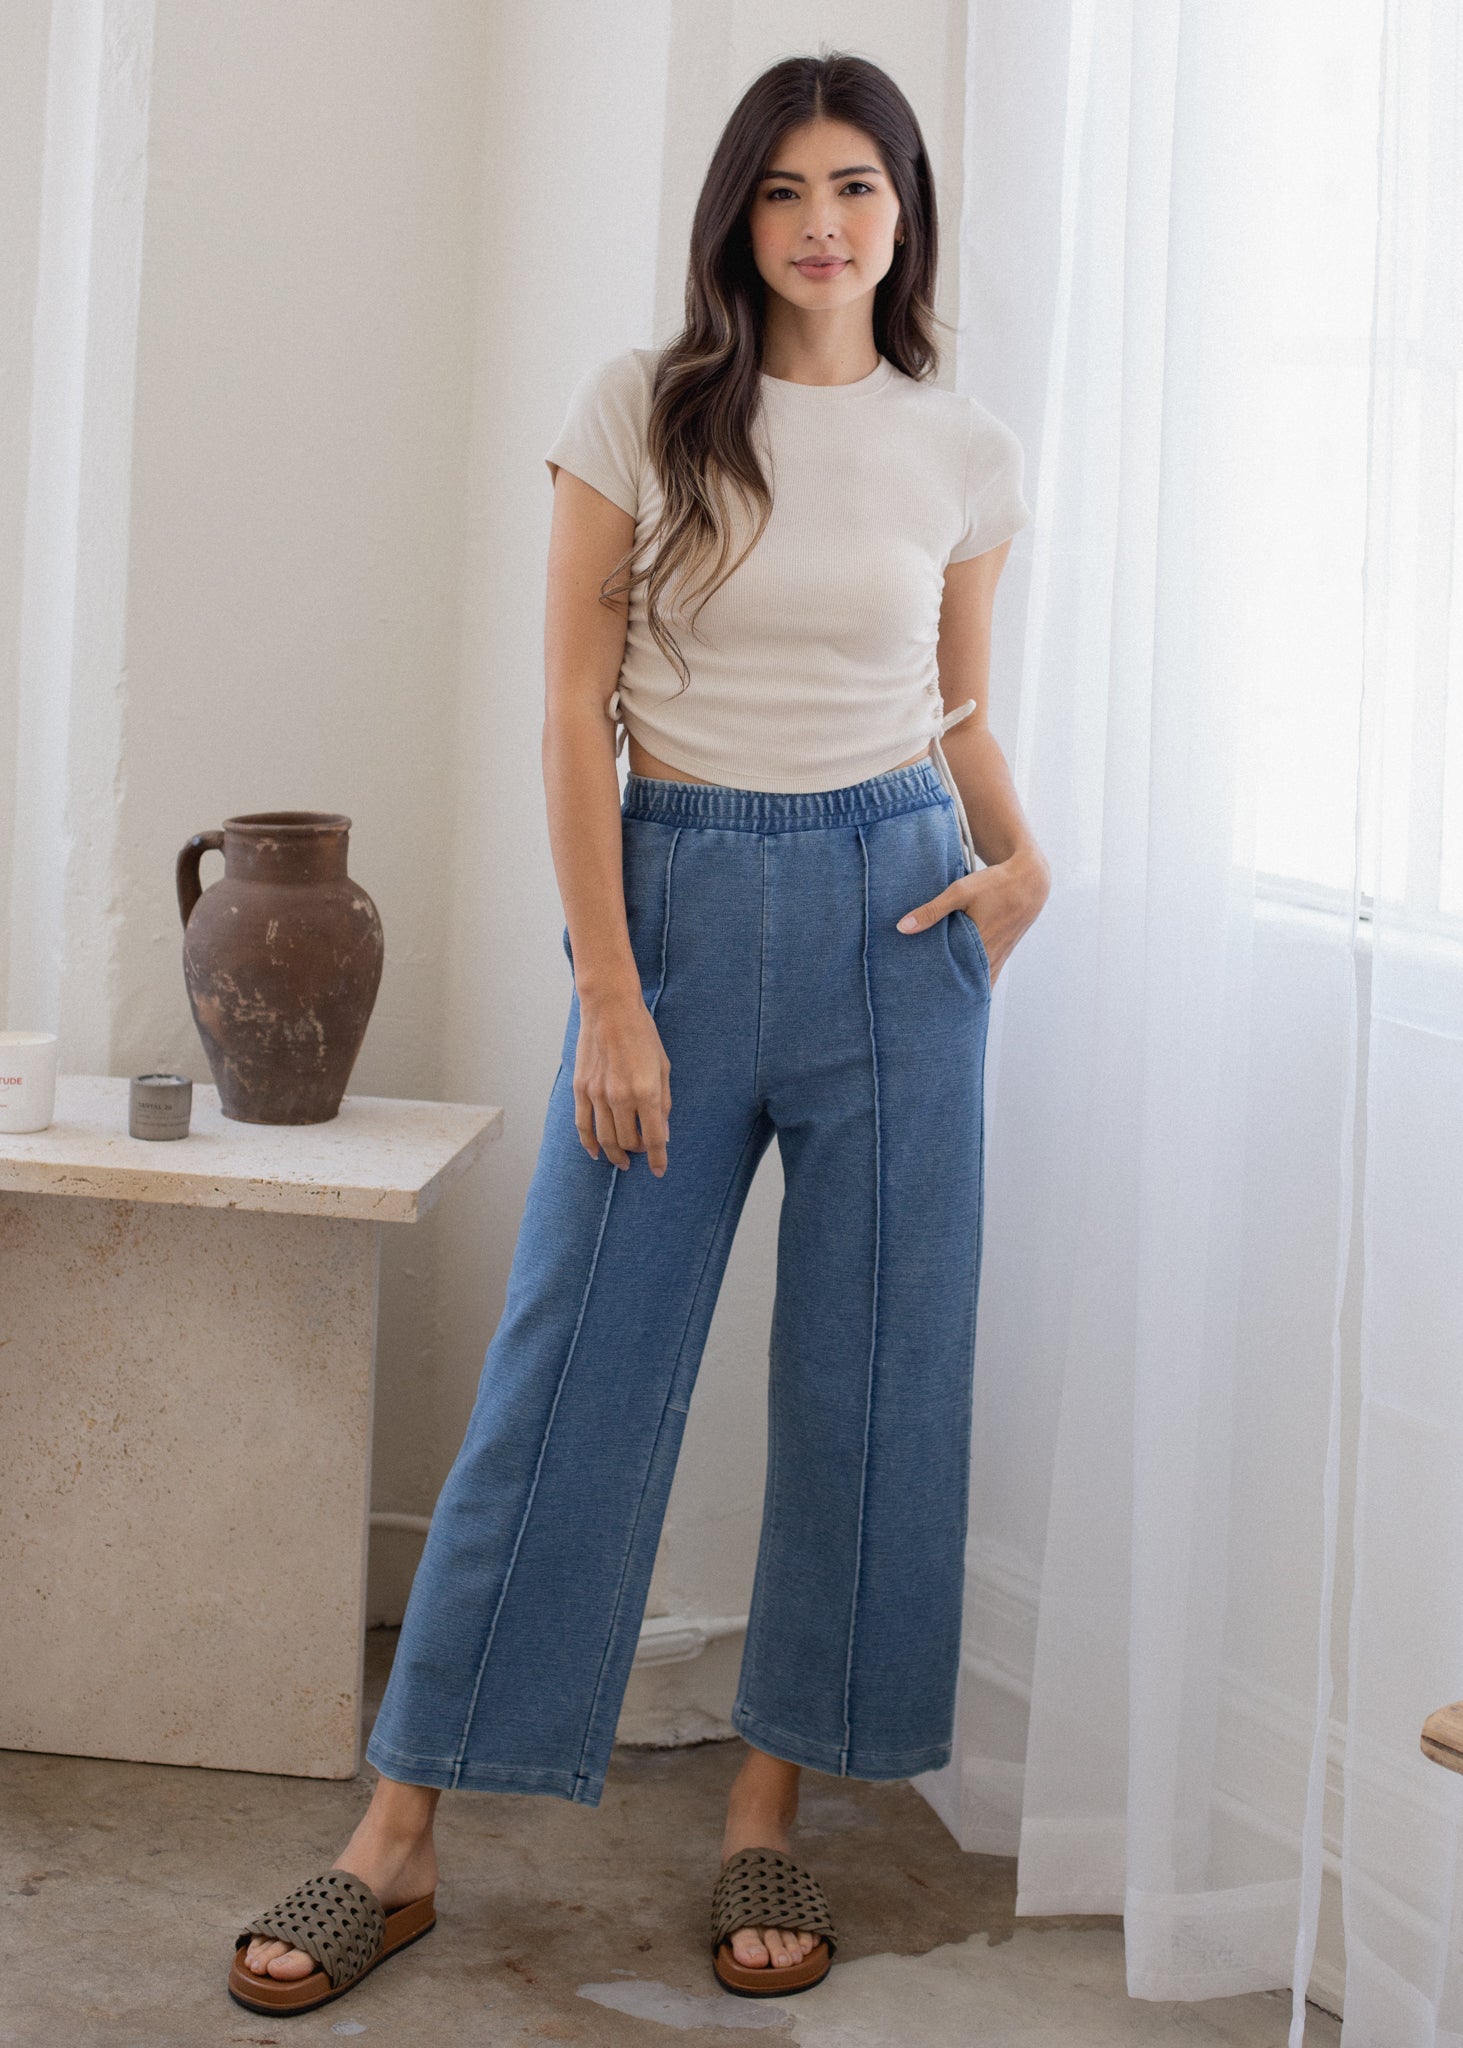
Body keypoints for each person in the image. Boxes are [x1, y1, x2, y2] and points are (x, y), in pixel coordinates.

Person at [227, 48, 1050, 2019]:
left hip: (898, 922)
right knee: (571, 1374)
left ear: (907, 213)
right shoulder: (645, 409)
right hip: (673, 917)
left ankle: (768, 1812)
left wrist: (1021, 866)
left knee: (872, 1382)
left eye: (859, 184)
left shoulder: (966, 447)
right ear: (737, 219)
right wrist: (607, 981)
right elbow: (571, 709)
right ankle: (394, 1837)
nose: (825, 220)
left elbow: (953, 713)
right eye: (785, 189)